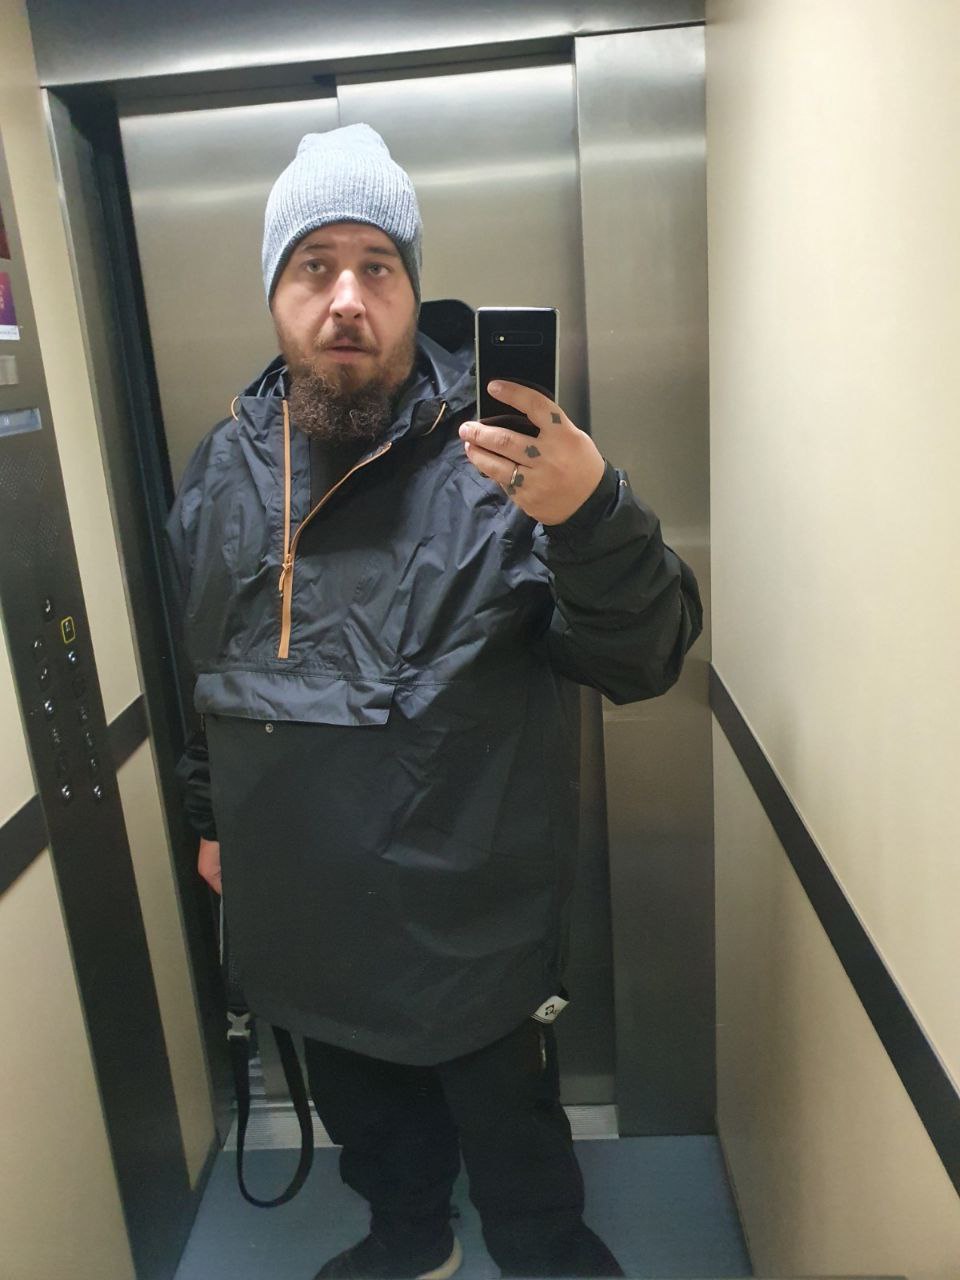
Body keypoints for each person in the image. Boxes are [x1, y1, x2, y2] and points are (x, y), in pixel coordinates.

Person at [166, 123, 703, 1280]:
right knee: (368, 1113)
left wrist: (592, 513)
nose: (346, 298)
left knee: (512, 1125)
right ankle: (411, 1239)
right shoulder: (222, 470)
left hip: (472, 900)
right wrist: (211, 817)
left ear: (413, 291)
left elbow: (643, 656)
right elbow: (205, 665)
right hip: (302, 902)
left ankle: (540, 1245)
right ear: (274, 293)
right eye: (314, 265)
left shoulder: (501, 462)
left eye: (378, 265)